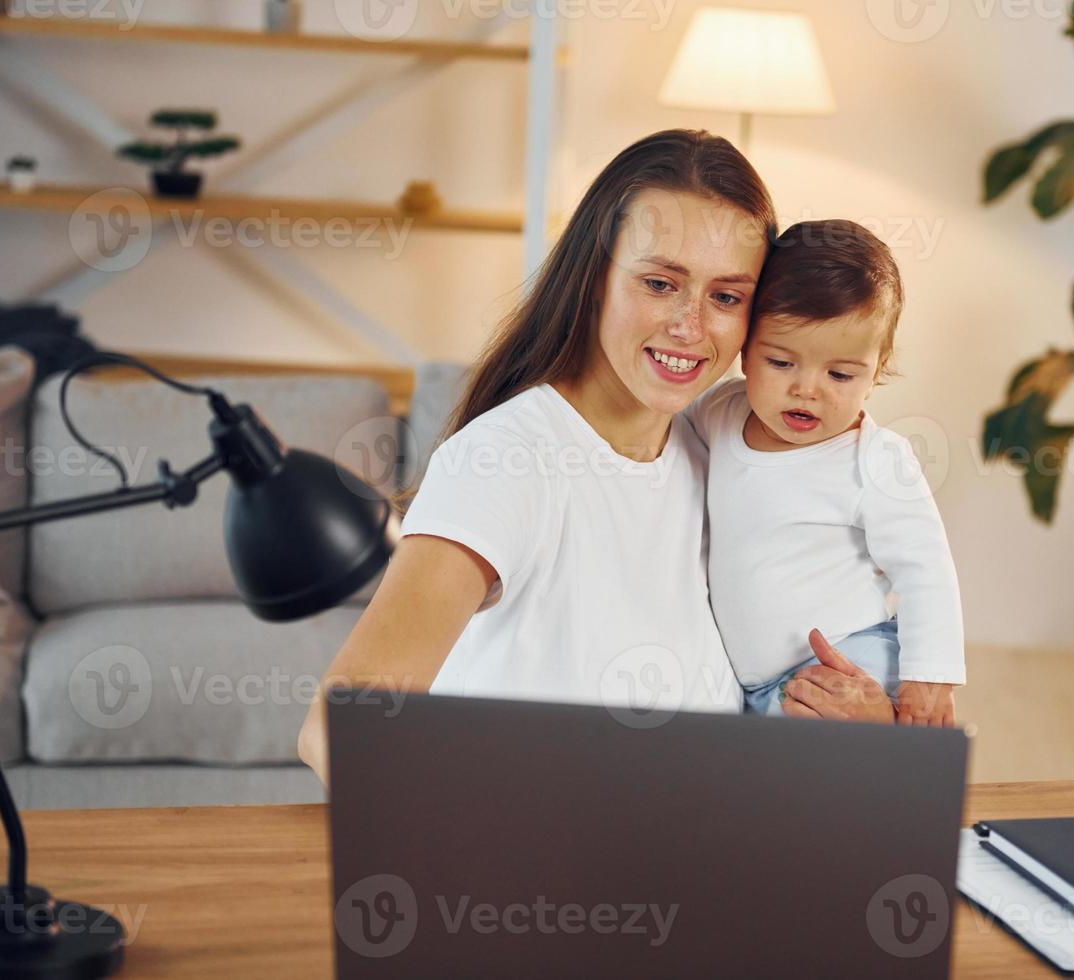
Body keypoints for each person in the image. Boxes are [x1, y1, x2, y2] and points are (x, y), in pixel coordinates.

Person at [297, 130, 902, 788]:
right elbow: (337, 731)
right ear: (594, 280)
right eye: (660, 283)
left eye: (726, 297)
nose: (690, 326)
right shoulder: (506, 460)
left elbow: (786, 680)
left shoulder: (720, 455)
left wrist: (868, 729)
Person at [686, 220, 966, 727]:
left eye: (840, 374)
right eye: (780, 362)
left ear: (877, 371)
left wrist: (930, 676)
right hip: (756, 682)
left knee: (846, 768)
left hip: (851, 656)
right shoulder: (719, 413)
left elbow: (926, 571)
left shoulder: (876, 459)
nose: (807, 389)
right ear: (745, 351)